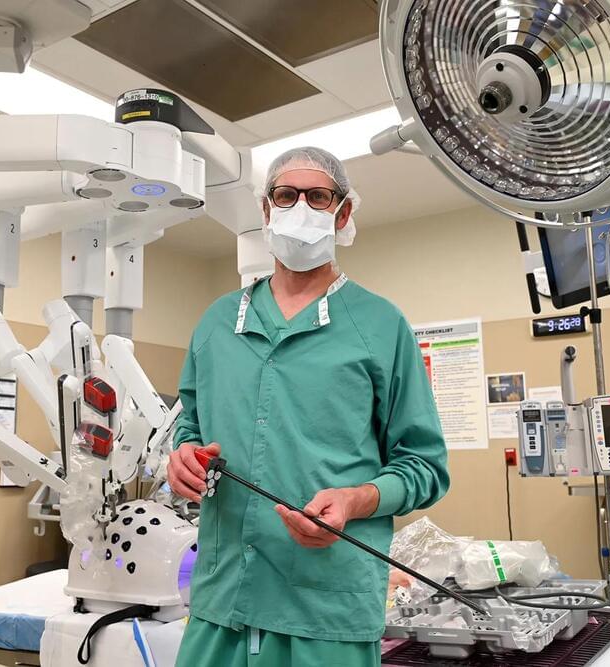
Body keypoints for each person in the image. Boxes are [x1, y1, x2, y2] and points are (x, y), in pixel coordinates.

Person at [168, 146, 449, 666]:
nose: (300, 207)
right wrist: (183, 457)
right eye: (285, 195)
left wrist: (354, 501)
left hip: (325, 612)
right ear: (266, 208)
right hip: (221, 602)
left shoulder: (380, 326)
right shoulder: (216, 325)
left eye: (317, 197)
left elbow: (425, 467)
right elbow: (189, 427)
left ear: (342, 213)